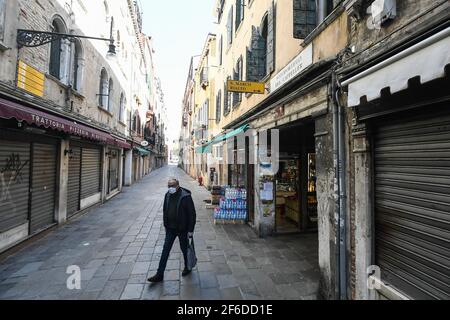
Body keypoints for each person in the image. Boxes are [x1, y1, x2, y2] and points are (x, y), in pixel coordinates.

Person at [148, 178, 196, 282]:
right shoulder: (167, 195)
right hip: (170, 229)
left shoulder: (186, 196)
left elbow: (192, 214)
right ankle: (159, 274)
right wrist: (166, 225)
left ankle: (187, 267)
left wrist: (190, 230)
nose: (170, 188)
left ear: (177, 186)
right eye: (169, 186)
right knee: (165, 250)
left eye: (172, 186)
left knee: (184, 250)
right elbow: (165, 210)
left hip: (182, 229)